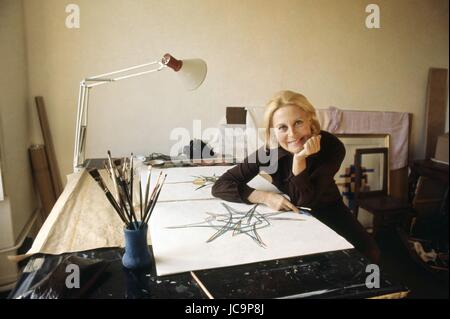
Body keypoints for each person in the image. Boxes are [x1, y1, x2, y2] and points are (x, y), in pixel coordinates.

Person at [212, 90, 381, 263]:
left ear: (310, 120)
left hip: (329, 208)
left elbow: (307, 200)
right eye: (282, 127)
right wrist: (265, 197)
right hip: (292, 213)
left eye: (298, 122)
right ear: (273, 131)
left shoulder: (331, 146)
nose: (292, 134)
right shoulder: (270, 154)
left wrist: (299, 160)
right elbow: (220, 186)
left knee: (370, 253)